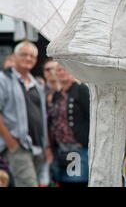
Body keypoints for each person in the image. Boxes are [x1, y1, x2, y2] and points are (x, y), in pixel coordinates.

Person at [0, 41, 50, 187]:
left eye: (32, 56)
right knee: (28, 183)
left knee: (38, 182)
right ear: (14, 56)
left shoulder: (37, 84)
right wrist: (11, 142)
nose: (28, 58)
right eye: (24, 55)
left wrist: (46, 145)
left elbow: (42, 116)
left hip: (38, 144)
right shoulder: (3, 79)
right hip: (18, 145)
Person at [47, 62, 89, 187]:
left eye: (65, 69)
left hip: (77, 148)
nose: (62, 72)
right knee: (62, 181)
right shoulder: (57, 94)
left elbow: (91, 117)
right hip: (60, 148)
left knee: (77, 182)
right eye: (59, 70)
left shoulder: (81, 89)